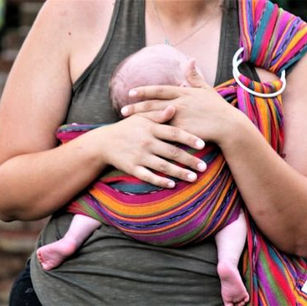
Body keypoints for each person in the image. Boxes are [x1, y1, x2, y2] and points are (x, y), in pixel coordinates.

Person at [0, 0, 306, 306]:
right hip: (65, 294)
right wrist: (101, 146)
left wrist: (234, 130)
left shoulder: (283, 41)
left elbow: (301, 234)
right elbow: (8, 195)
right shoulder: (74, 12)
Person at [35, 44, 249, 306]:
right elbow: (239, 105)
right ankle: (227, 261)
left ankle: (70, 241)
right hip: (200, 218)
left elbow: (72, 135)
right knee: (233, 216)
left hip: (132, 213)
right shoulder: (211, 118)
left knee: (95, 201)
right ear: (186, 88)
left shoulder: (120, 138)